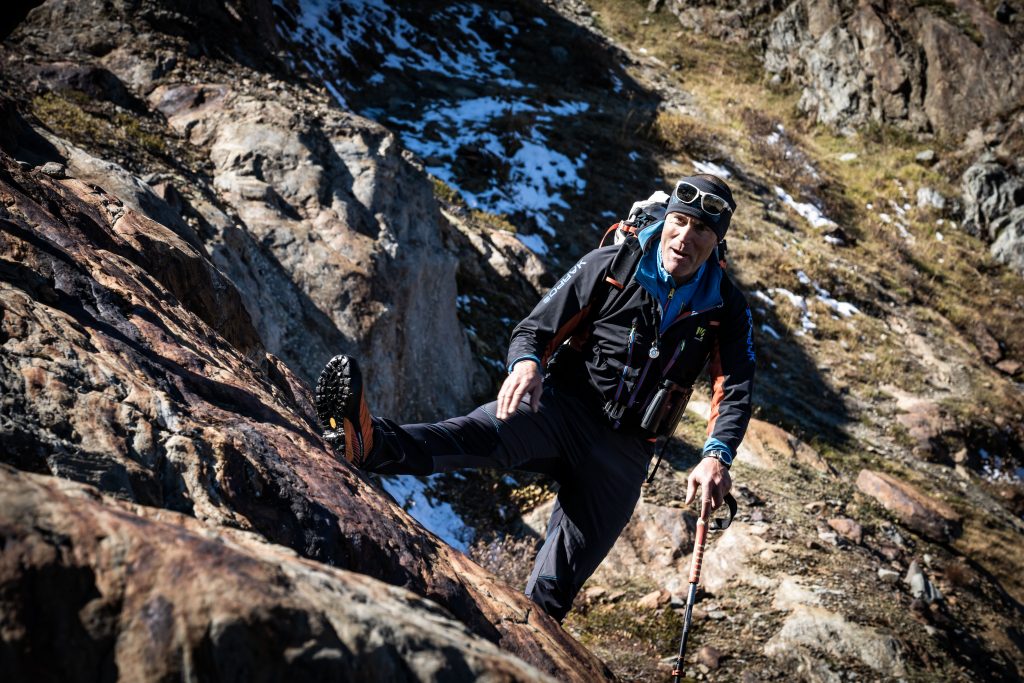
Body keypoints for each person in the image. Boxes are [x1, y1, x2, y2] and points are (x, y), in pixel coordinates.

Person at [315, 173, 755, 622]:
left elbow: (736, 386)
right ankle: (369, 443)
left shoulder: (726, 308)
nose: (684, 237)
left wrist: (716, 456)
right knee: (478, 433)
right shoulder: (613, 264)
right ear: (667, 219)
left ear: (716, 240)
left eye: (702, 229)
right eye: (679, 221)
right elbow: (534, 330)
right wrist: (526, 365)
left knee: (553, 590)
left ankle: (515, 649)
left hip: (626, 450)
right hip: (560, 409)